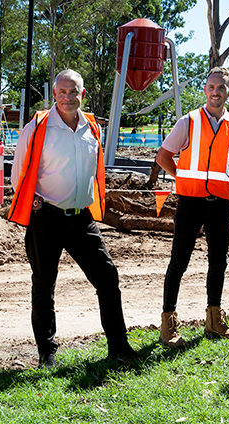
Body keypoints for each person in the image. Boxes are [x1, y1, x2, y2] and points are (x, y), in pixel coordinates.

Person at [9, 69, 138, 368]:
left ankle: (119, 347)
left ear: (83, 93)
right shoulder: (37, 127)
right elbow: (19, 173)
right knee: (44, 286)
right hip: (47, 219)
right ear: (54, 94)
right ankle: (47, 353)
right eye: (63, 92)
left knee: (107, 278)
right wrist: (35, 201)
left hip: (82, 218)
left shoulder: (92, 126)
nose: (68, 97)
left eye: (74, 92)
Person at [155, 67, 229, 347]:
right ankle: (168, 324)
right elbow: (163, 156)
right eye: (211, 87)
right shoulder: (189, 121)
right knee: (178, 262)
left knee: (218, 262)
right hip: (190, 203)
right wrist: (182, 177)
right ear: (205, 90)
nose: (215, 91)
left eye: (221, 87)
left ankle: (214, 320)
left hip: (221, 204)